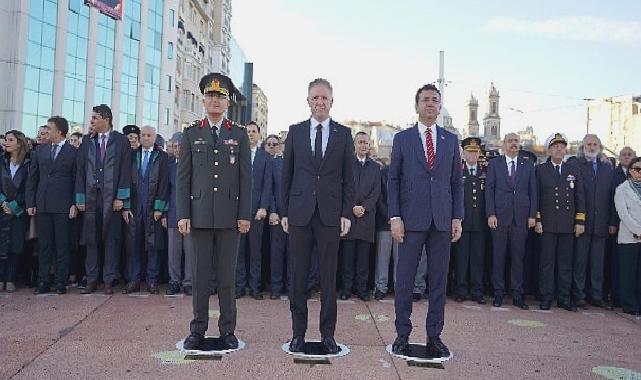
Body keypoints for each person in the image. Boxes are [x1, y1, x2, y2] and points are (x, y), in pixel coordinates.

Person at [388, 83, 463, 357]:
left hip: (442, 221)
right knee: (405, 280)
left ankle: (435, 335)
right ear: (417, 105)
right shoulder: (402, 139)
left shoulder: (450, 140)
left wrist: (457, 217)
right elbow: (393, 179)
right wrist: (395, 216)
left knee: (438, 283)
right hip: (410, 221)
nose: (430, 104)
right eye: (425, 100)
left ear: (439, 107)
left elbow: (457, 183)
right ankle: (402, 334)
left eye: (434, 100)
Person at [177, 73, 251, 350]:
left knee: (227, 279)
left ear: (228, 102)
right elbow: (183, 178)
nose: (215, 101)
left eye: (221, 97)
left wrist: (244, 214)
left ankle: (227, 331)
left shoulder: (239, 134)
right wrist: (183, 213)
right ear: (203, 99)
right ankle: (197, 330)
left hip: (230, 218)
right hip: (198, 216)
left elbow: (246, 178)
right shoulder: (191, 132)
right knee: (199, 278)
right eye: (211, 96)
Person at [281, 78, 355, 354]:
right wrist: (285, 210)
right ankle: (298, 334)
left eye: (325, 98)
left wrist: (346, 213)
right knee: (298, 276)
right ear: (308, 101)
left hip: (330, 215)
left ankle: (328, 335)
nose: (320, 102)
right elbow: (286, 175)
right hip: (299, 214)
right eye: (315, 98)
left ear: (331, 101)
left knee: (328, 277)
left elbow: (350, 178)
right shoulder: (296, 132)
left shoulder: (343, 134)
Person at [75, 104, 132, 294]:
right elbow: (80, 171)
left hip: (112, 199)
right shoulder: (87, 141)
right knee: (91, 239)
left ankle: (109, 280)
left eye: (94, 118)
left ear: (105, 119)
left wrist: (120, 197)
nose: (91, 121)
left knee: (111, 240)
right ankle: (91, 280)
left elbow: (125, 170)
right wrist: (80, 198)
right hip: (91, 198)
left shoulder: (121, 141)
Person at [26, 116, 78, 294]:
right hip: (43, 205)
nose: (46, 131)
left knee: (62, 245)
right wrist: (31, 202)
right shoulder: (40, 151)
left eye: (49, 128)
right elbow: (32, 178)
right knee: (44, 245)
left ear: (59, 131)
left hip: (63, 206)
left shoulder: (73, 152)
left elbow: (76, 179)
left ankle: (61, 282)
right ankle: (43, 281)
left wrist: (74, 203)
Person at [485, 133, 537, 309]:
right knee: (498, 257)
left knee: (518, 258)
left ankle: (517, 294)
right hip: (499, 218)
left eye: (516, 141)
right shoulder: (494, 164)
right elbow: (489, 191)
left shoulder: (528, 165)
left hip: (521, 219)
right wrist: (491, 214)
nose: (513, 144)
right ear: (503, 144)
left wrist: (532, 216)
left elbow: (533, 192)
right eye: (510, 141)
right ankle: (498, 293)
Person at [535, 133, 585, 311]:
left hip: (567, 224)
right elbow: (537, 197)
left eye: (562, 146)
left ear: (566, 150)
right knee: (547, 263)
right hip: (547, 224)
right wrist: (538, 219)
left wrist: (580, 221)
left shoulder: (573, 170)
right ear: (549, 149)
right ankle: (546, 297)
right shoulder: (540, 170)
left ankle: (564, 298)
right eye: (555, 146)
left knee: (565, 263)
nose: (558, 149)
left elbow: (579, 196)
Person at [121, 126, 169, 294]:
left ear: (155, 137)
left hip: (152, 208)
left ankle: (152, 281)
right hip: (134, 207)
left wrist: (159, 208)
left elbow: (164, 184)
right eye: (143, 135)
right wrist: (125, 206)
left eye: (149, 135)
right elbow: (125, 180)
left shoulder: (162, 157)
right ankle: (134, 280)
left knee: (153, 245)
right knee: (133, 244)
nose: (146, 138)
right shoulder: (132, 156)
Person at [572, 134, 615, 308]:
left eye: (594, 144)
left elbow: (612, 197)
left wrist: (612, 221)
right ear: (582, 147)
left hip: (602, 223)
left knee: (598, 262)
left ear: (600, 146)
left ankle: (596, 295)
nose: (591, 147)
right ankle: (578, 294)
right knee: (580, 261)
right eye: (588, 144)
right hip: (583, 223)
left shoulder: (607, 168)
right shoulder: (577, 165)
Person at [340, 131, 380, 301]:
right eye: (360, 142)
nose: (363, 145)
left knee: (364, 258)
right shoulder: (346, 165)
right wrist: (352, 207)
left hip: (366, 217)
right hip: (349, 217)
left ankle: (362, 289)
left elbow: (376, 191)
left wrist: (364, 207)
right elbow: (343, 188)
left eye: (366, 142)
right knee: (347, 258)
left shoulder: (375, 167)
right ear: (354, 145)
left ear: (369, 145)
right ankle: (346, 289)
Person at [236, 121, 272, 300]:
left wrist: (264, 207)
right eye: (247, 131)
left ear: (259, 134)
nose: (250, 134)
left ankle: (255, 287)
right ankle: (240, 286)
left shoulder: (265, 157)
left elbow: (267, 185)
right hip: (239, 211)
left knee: (256, 251)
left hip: (257, 212)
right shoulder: (236, 154)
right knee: (239, 251)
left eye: (253, 131)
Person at [453, 137, 487, 304]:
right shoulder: (457, 171)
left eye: (475, 152)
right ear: (463, 153)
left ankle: (476, 291)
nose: (472, 155)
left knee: (478, 258)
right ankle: (460, 289)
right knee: (461, 258)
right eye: (469, 152)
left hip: (480, 223)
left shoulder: (485, 171)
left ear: (479, 153)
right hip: (463, 223)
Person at [0, 131, 31, 293]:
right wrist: (3, 202)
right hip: (1, 208)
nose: (6, 142)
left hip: (18, 210)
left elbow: (29, 188)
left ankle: (10, 278)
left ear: (19, 143)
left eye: (10, 140)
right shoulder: (1, 162)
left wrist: (14, 206)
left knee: (15, 244)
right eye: (6, 139)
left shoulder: (28, 164)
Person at [607, 146, 637, 307]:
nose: (626, 157)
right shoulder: (614, 174)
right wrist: (612, 222)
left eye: (629, 155)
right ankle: (616, 296)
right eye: (624, 155)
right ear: (619, 157)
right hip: (619, 225)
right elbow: (612, 202)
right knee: (617, 262)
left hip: (636, 228)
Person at [165, 134, 193, 296]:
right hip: (173, 214)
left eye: (180, 147)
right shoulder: (169, 167)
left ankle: (188, 282)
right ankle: (174, 281)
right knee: (173, 251)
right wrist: (163, 214)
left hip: (190, 215)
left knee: (190, 251)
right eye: (175, 147)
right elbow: (165, 191)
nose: (177, 150)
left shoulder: (195, 166)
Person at [613, 157, 641, 315]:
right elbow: (623, 213)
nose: (640, 173)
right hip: (629, 236)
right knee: (628, 273)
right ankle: (629, 305)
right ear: (630, 170)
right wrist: (638, 230)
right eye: (637, 169)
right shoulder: (622, 188)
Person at [266, 135, 289, 299]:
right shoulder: (273, 163)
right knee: (276, 253)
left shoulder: (300, 164)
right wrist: (273, 211)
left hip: (296, 217)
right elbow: (270, 189)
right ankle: (275, 287)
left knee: (294, 254)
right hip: (277, 215)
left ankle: (291, 286)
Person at [373, 162, 398, 301]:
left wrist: (399, 218)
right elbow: (379, 197)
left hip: (401, 223)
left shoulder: (407, 172)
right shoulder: (383, 172)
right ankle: (381, 287)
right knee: (382, 258)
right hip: (385, 222)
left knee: (400, 259)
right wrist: (389, 217)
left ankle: (398, 287)